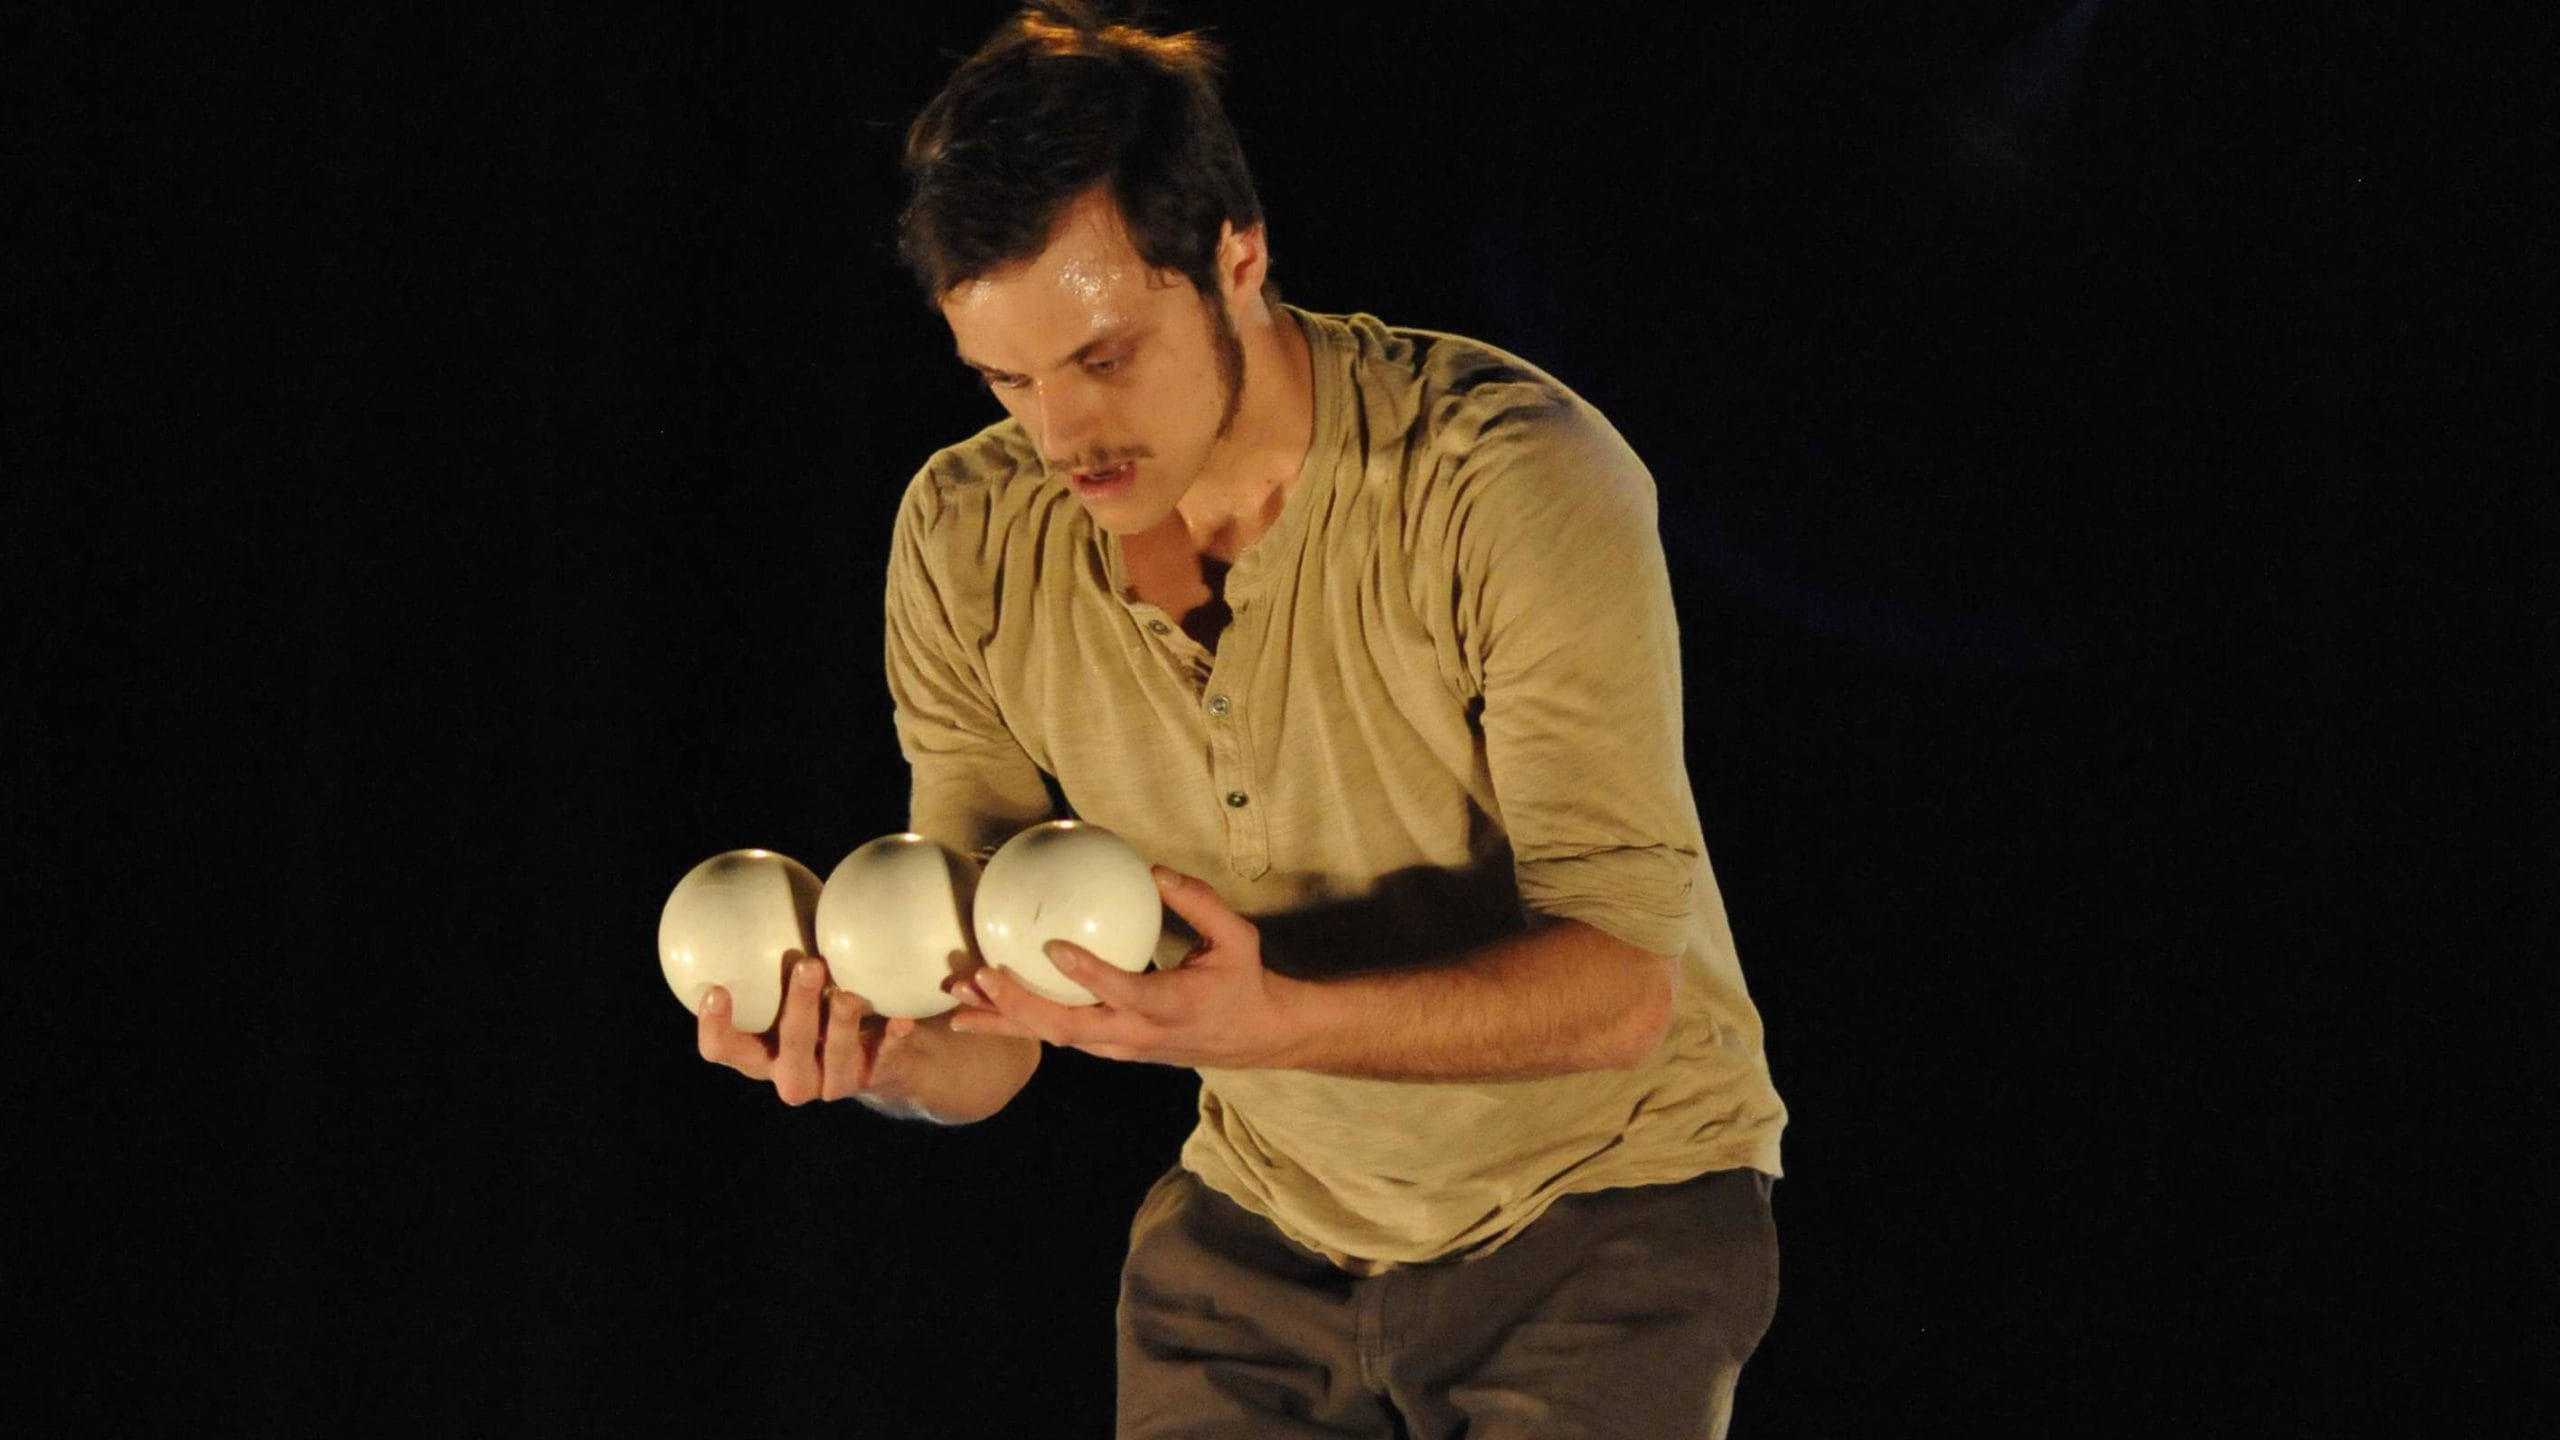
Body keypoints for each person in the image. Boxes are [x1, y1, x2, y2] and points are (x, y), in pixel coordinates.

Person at [696, 5, 1788, 1435]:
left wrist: (1273, 1020)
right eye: (1008, 381)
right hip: (1262, 1235)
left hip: (1605, 1214)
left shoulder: (1502, 482)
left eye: (1104, 357)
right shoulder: (970, 537)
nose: (1062, 436)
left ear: (1238, 256)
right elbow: (993, 1017)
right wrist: (897, 1059)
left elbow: (1621, 993)